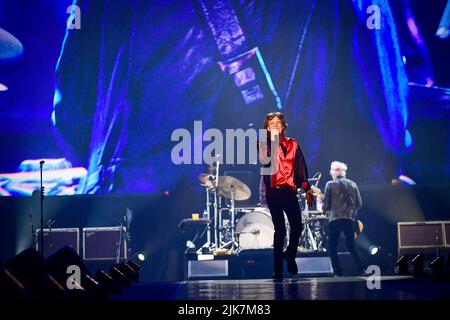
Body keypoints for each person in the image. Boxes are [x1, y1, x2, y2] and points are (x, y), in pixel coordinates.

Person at [259, 111, 314, 281]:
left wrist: (307, 188)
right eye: (271, 123)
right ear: (267, 128)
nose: (275, 124)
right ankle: (277, 270)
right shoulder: (263, 143)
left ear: (283, 126)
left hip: (289, 191)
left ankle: (290, 255)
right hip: (273, 191)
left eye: (278, 122)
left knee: (298, 226)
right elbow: (265, 161)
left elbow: (300, 166)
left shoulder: (293, 143)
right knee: (280, 230)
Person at [322, 161, 368, 276]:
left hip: (335, 219)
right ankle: (361, 270)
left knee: (332, 246)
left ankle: (338, 272)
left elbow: (326, 205)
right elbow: (360, 204)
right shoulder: (353, 184)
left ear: (333, 171)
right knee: (351, 245)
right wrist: (351, 212)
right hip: (349, 219)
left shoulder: (330, 184)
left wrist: (324, 210)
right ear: (344, 172)